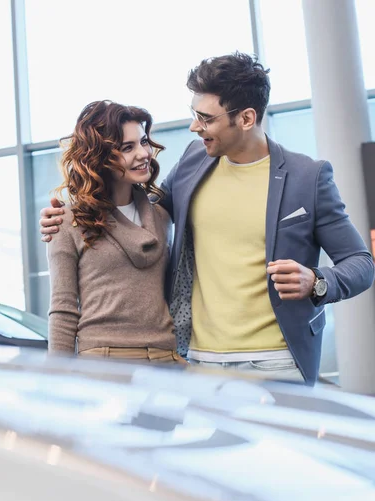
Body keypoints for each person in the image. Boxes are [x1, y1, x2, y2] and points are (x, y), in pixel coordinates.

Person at [40, 52, 374, 385]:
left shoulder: (308, 177)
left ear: (245, 118)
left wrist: (316, 281)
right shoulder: (192, 161)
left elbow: (361, 263)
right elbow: (131, 211)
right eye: (194, 114)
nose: (194, 126)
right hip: (199, 363)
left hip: (277, 362)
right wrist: (66, 215)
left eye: (205, 117)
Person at [46, 99, 184, 365]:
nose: (143, 154)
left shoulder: (162, 217)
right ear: (99, 157)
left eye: (143, 142)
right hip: (104, 364)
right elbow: (63, 310)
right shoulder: (66, 222)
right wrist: (57, 380)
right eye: (127, 147)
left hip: (165, 360)